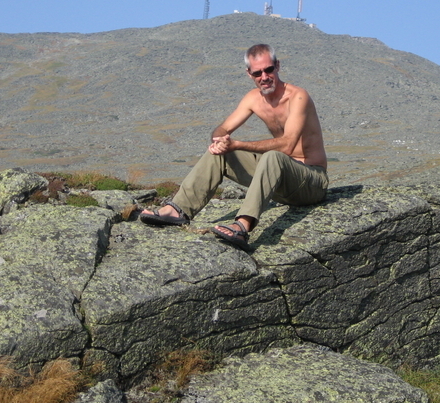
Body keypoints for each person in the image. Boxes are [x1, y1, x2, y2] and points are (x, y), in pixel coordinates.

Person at [133, 43, 328, 251]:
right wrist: (220, 142)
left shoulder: (298, 97)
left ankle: (242, 226)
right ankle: (178, 210)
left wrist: (237, 143)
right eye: (257, 73)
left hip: (311, 181)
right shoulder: (253, 99)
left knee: (273, 156)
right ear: (249, 74)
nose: (264, 77)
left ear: (278, 66)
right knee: (222, 154)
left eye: (269, 69)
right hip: (279, 181)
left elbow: (288, 145)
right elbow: (223, 127)